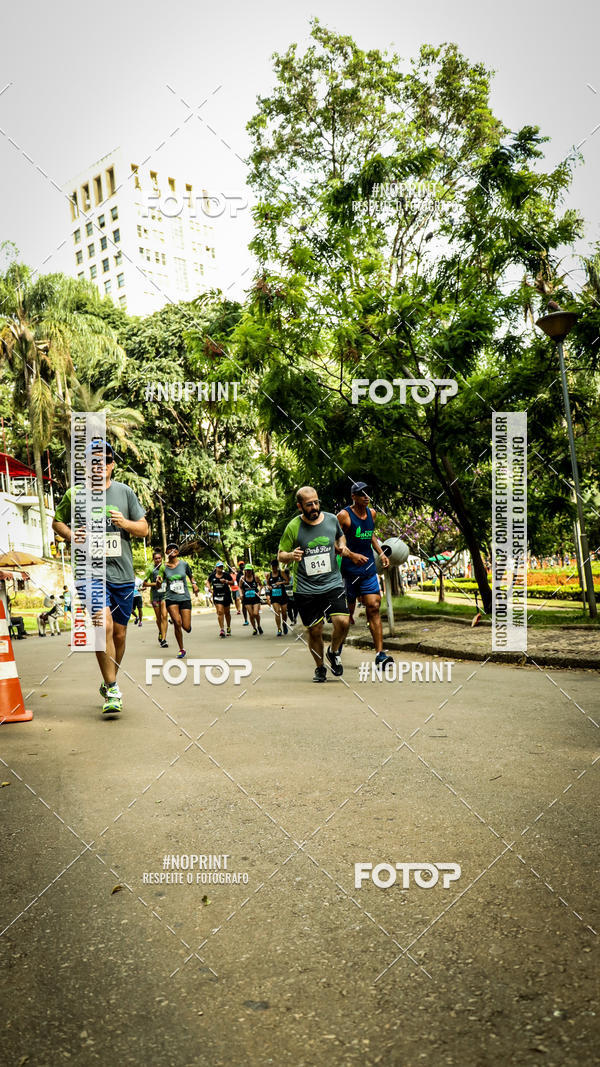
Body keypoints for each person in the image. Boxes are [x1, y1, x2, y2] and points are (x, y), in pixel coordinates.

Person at [52, 438, 148, 715]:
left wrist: (124, 523)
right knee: (102, 625)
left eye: (105, 460)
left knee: (119, 633)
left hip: (122, 574)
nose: (100, 465)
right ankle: (113, 688)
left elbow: (144, 529)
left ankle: (110, 682)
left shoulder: (125, 492)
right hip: (89, 573)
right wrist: (71, 535)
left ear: (112, 464)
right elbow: (57, 521)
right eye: (94, 461)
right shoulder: (75, 494)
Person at [278, 486, 350, 682]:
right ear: (300, 506)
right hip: (305, 588)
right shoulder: (293, 526)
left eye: (316, 502)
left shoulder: (331, 519)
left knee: (343, 622)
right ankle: (320, 668)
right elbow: (281, 554)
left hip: (332, 583)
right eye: (309, 504)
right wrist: (291, 556)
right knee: (315, 630)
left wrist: (342, 546)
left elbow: (340, 535)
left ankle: (333, 652)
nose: (314, 507)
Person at [336, 482, 393, 668]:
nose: (366, 497)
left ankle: (380, 654)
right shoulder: (344, 516)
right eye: (361, 494)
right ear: (353, 496)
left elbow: (370, 535)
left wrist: (381, 552)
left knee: (374, 606)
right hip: (349, 572)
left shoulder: (372, 513)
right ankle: (336, 651)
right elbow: (334, 543)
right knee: (347, 617)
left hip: (368, 569)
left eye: (368, 493)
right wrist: (351, 555)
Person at [160, 544, 199, 659]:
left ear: (177, 552)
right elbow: (159, 583)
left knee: (186, 627)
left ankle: (186, 626)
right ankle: (181, 649)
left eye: (175, 549)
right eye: (170, 549)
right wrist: (158, 581)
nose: (173, 550)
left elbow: (191, 576)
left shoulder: (184, 564)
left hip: (184, 597)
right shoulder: (163, 567)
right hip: (171, 598)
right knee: (177, 622)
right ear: (167, 552)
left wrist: (194, 584)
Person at [143, 549, 168, 648]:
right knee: (158, 618)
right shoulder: (150, 569)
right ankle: (160, 631)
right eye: (156, 559)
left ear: (161, 558)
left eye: (159, 558)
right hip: (155, 596)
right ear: (153, 559)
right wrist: (156, 584)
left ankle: (164, 639)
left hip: (164, 595)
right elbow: (144, 583)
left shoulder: (165, 568)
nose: (158, 560)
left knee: (165, 616)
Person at [208, 561, 234, 637]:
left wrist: (226, 581)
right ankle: (222, 629)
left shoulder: (226, 575)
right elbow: (208, 582)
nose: (220, 569)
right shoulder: (212, 575)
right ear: (216, 568)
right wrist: (209, 588)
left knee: (227, 612)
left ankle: (228, 627)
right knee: (219, 612)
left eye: (221, 567)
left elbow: (232, 582)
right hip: (217, 595)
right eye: (219, 567)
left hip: (226, 595)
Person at [266, 558, 288, 635]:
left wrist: (281, 583)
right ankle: (279, 629)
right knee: (277, 612)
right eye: (272, 567)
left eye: (275, 566)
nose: (274, 568)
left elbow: (287, 581)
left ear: (277, 566)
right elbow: (267, 584)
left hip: (282, 595)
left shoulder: (281, 573)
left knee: (284, 612)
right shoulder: (269, 575)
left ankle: (284, 624)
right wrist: (268, 587)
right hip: (274, 596)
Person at [239, 564, 262, 634]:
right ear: (245, 571)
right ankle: (254, 628)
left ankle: (259, 625)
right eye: (247, 571)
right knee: (251, 614)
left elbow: (261, 585)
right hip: (247, 599)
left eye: (249, 571)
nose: (248, 572)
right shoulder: (242, 578)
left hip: (255, 598)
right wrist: (241, 594)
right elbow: (239, 587)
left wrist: (259, 592)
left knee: (256, 613)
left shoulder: (255, 577)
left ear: (252, 571)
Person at [236, 559, 249, 625]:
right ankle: (246, 620)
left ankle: (253, 617)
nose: (242, 566)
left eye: (243, 565)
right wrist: (241, 593)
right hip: (244, 592)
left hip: (250, 591)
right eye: (241, 565)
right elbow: (239, 585)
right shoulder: (238, 574)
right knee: (244, 606)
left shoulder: (248, 572)